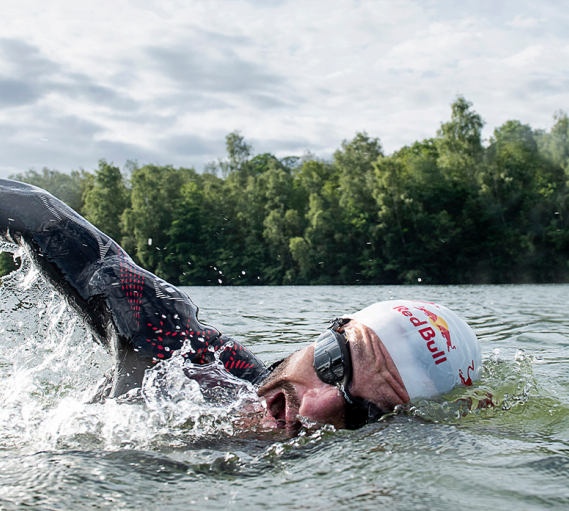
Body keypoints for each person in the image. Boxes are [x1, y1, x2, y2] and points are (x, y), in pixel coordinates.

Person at [0, 179, 482, 432]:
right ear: (322, 337)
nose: (313, 408)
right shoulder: (184, 352)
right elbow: (38, 213)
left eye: (367, 414)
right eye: (335, 364)